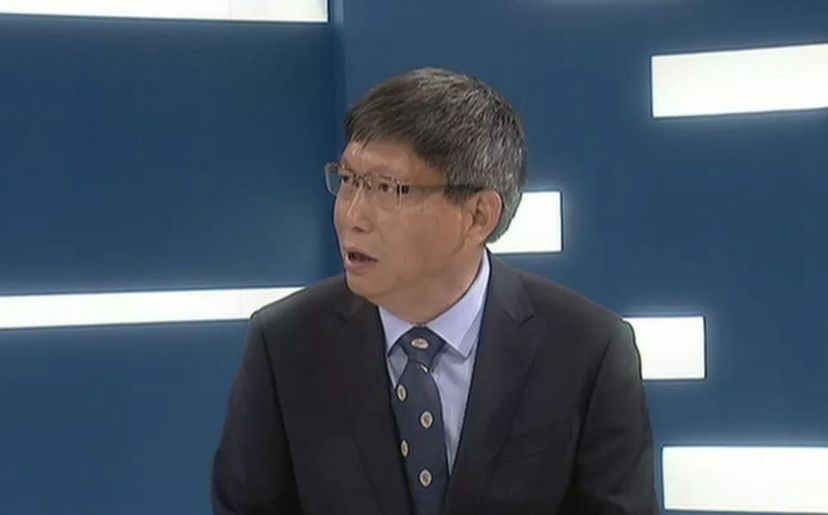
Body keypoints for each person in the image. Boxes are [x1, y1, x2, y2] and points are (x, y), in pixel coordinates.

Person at [211, 67, 659, 515]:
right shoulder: (286, 343)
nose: (352, 216)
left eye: (388, 188)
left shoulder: (588, 350)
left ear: (479, 216)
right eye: (347, 180)